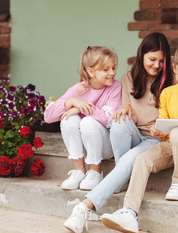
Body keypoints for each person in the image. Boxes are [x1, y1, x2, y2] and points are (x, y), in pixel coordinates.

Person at [101, 44, 178, 233]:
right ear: (173, 68)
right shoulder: (167, 93)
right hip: (172, 145)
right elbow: (165, 123)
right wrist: (157, 131)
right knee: (142, 159)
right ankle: (129, 213)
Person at [63, 32, 173, 233]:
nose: (157, 65)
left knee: (130, 155)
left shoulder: (172, 83)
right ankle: (120, 178)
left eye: (161, 61)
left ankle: (82, 209)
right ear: (141, 56)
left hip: (154, 139)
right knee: (119, 120)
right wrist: (124, 110)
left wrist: (164, 128)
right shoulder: (128, 79)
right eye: (152, 59)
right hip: (132, 135)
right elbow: (124, 107)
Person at [44, 46, 121, 191]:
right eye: (105, 69)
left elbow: (109, 119)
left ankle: (96, 171)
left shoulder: (115, 88)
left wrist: (82, 108)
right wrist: (70, 102)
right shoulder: (79, 89)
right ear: (90, 71)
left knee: (87, 121)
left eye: (113, 68)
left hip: (106, 145)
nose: (112, 73)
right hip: (84, 145)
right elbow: (48, 117)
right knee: (68, 119)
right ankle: (79, 171)